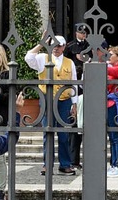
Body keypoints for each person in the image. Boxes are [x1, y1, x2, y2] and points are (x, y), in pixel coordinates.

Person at [24, 35, 79, 175]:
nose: (56, 48)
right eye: (53, 45)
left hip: (65, 99)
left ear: (64, 46)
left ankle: (65, 164)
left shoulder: (69, 62)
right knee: (47, 132)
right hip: (47, 98)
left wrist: (75, 104)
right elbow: (28, 58)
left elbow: (74, 83)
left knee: (64, 133)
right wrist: (41, 43)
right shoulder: (42, 58)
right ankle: (47, 164)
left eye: (59, 45)